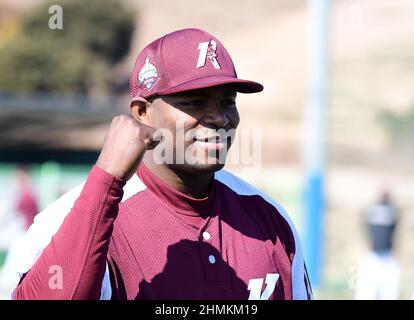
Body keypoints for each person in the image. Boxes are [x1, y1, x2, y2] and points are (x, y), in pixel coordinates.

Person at [10, 28, 312, 300]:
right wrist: (106, 179)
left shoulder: (269, 219)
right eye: (194, 102)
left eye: (227, 102)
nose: (219, 118)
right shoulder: (74, 216)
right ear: (142, 112)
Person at [355, 189, 400, 300]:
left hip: (387, 256)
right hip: (373, 255)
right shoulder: (373, 210)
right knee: (366, 293)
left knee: (389, 293)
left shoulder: (392, 211)